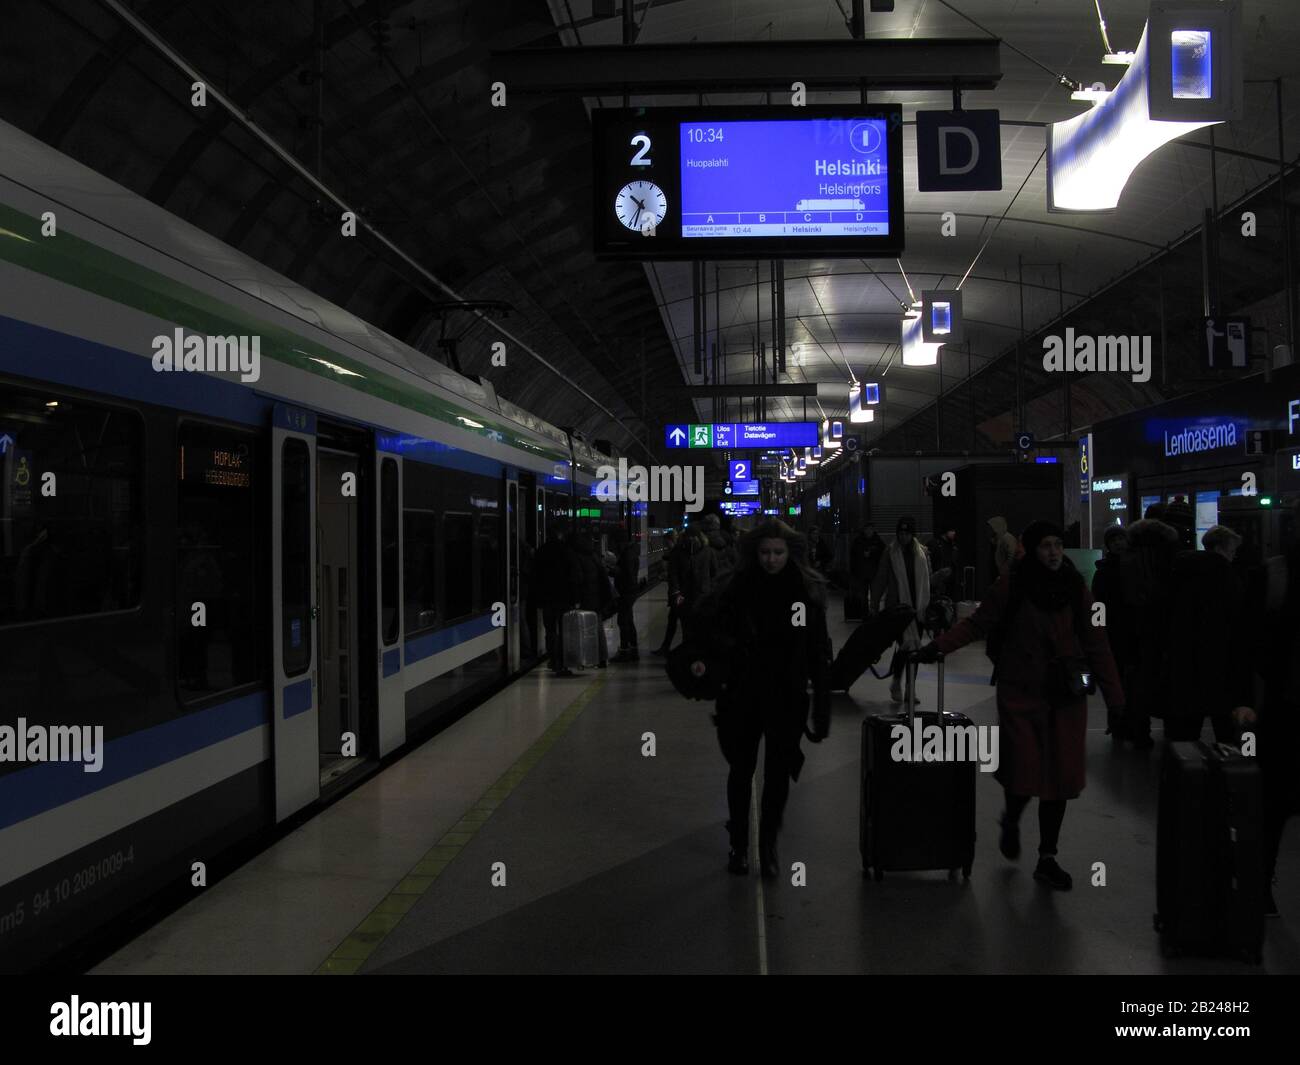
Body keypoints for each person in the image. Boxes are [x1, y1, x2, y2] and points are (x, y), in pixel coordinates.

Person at [918, 520, 1125, 891]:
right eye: (1046, 545)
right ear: (1031, 549)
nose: (1054, 552)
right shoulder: (1012, 585)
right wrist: (938, 646)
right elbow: (978, 624)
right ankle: (1011, 818)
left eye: (1058, 545)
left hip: (1065, 695)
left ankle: (1048, 856)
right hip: (1021, 692)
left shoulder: (1076, 588)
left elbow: (1098, 643)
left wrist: (1117, 700)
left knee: (1060, 778)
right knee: (1023, 769)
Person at [698, 519, 831, 878]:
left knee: (776, 774)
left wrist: (822, 703)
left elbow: (818, 650)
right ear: (754, 554)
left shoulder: (805, 592)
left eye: (778, 553)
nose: (771, 560)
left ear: (790, 553)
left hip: (785, 696)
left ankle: (767, 842)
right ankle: (740, 844)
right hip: (743, 695)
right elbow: (711, 633)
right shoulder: (737, 588)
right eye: (765, 553)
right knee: (741, 770)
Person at [1246, 536, 1300, 918]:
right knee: (1274, 805)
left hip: (1282, 709)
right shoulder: (1274, 574)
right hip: (1283, 711)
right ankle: (1259, 883)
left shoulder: (1274, 572)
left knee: (1273, 806)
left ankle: (1259, 884)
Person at [1162, 524, 1252, 743]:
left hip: (1183, 667)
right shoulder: (1229, 579)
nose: (1234, 556)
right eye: (1232, 551)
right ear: (1222, 549)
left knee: (1185, 737)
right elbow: (1238, 627)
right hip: (1220, 666)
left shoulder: (1180, 572)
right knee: (1226, 736)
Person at [1113, 516, 1180, 748]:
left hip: (1131, 634)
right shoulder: (1166, 562)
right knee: (1164, 681)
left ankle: (1136, 730)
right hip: (1160, 632)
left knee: (1135, 683)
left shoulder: (1123, 562)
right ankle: (1172, 731)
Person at [870, 515, 931, 702]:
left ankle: (908, 688)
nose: (903, 536)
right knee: (905, 647)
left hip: (918, 608)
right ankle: (898, 683)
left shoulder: (922, 553)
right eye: (900, 532)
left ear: (912, 534)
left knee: (914, 649)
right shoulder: (890, 553)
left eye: (907, 533)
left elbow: (927, 580)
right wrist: (874, 604)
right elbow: (880, 579)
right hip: (898, 608)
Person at [534, 524, 581, 676]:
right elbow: (574, 577)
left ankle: (553, 660)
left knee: (550, 631)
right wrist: (575, 598)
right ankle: (562, 663)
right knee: (564, 632)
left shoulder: (541, 552)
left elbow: (536, 577)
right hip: (564, 599)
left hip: (547, 599)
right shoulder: (567, 552)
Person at [569, 529, 611, 668]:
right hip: (597, 599)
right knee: (598, 629)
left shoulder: (578, 557)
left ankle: (586, 658)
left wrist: (576, 599)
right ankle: (602, 658)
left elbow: (578, 579)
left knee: (583, 630)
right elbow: (603, 577)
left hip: (586, 599)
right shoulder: (594, 556)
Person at [610, 526, 641, 661]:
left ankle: (624, 651)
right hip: (631, 591)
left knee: (623, 621)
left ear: (620, 542)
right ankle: (633, 649)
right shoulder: (632, 551)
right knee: (628, 620)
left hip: (626, 592)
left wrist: (613, 570)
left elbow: (626, 574)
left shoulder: (627, 554)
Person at [700, 513, 737, 584]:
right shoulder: (726, 537)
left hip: (708, 583)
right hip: (725, 579)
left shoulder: (701, 539)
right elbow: (735, 560)